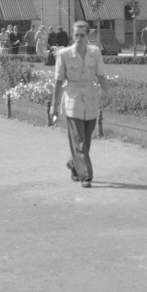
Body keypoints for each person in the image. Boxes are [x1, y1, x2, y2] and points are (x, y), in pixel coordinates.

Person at [51, 21, 111, 189]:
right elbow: (58, 81)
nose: (78, 38)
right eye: (75, 35)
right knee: (79, 141)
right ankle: (86, 175)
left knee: (86, 141)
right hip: (73, 100)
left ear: (88, 36)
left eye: (82, 35)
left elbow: (101, 75)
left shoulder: (95, 53)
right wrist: (54, 106)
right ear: (72, 35)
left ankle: (74, 165)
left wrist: (108, 94)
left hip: (90, 101)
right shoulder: (64, 54)